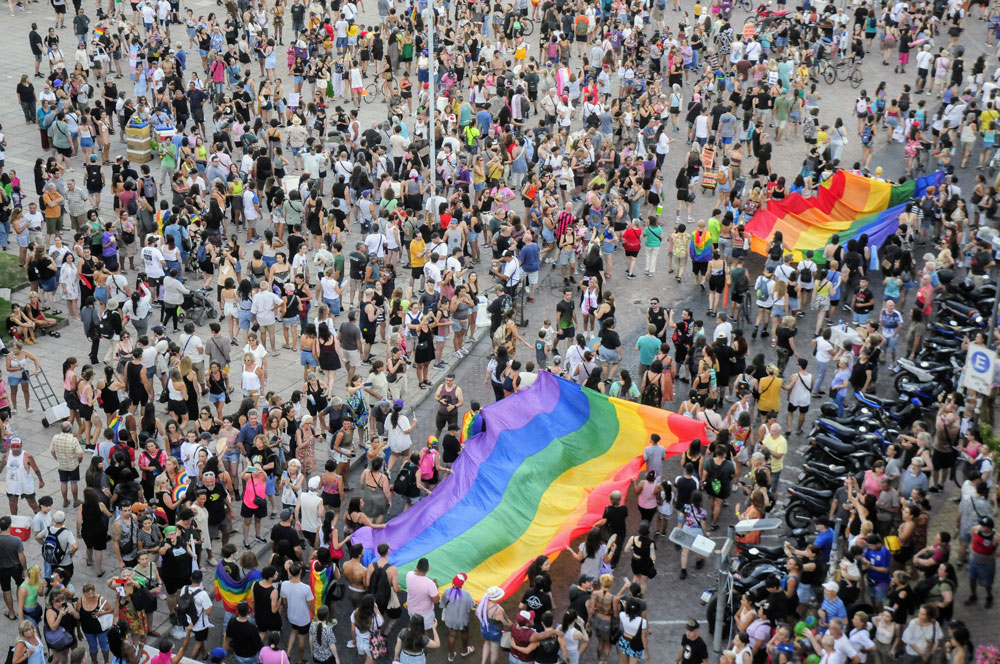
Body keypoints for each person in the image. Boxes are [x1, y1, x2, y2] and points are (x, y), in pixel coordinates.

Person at [440, 573, 476, 661]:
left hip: (450, 620)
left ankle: (451, 655)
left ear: (452, 581)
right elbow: (472, 606)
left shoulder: (446, 591)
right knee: (464, 632)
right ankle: (464, 651)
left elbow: (442, 604)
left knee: (452, 635)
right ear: (463, 584)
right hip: (462, 620)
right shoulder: (467, 594)